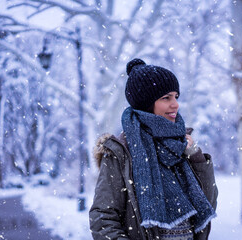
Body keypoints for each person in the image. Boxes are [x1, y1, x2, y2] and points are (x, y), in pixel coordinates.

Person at [89, 58, 218, 240]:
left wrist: (196, 158)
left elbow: (208, 204)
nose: (175, 104)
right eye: (166, 98)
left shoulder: (181, 145)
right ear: (146, 104)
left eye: (176, 97)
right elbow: (103, 218)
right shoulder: (122, 152)